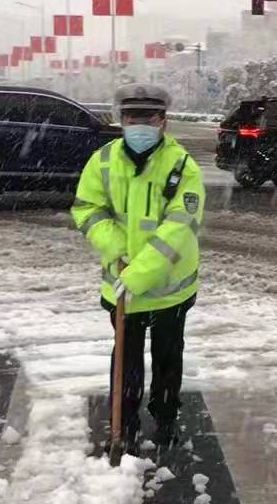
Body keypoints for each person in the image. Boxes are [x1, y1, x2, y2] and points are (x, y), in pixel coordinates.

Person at [71, 83, 205, 451]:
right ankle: (125, 423)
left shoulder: (182, 166)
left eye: (150, 117)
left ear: (164, 121)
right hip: (120, 289)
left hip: (170, 290)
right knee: (125, 362)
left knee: (167, 359)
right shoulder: (102, 161)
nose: (141, 125)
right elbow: (87, 209)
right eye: (133, 117)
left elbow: (180, 226)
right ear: (121, 119)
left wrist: (139, 272)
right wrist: (117, 250)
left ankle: (165, 419)